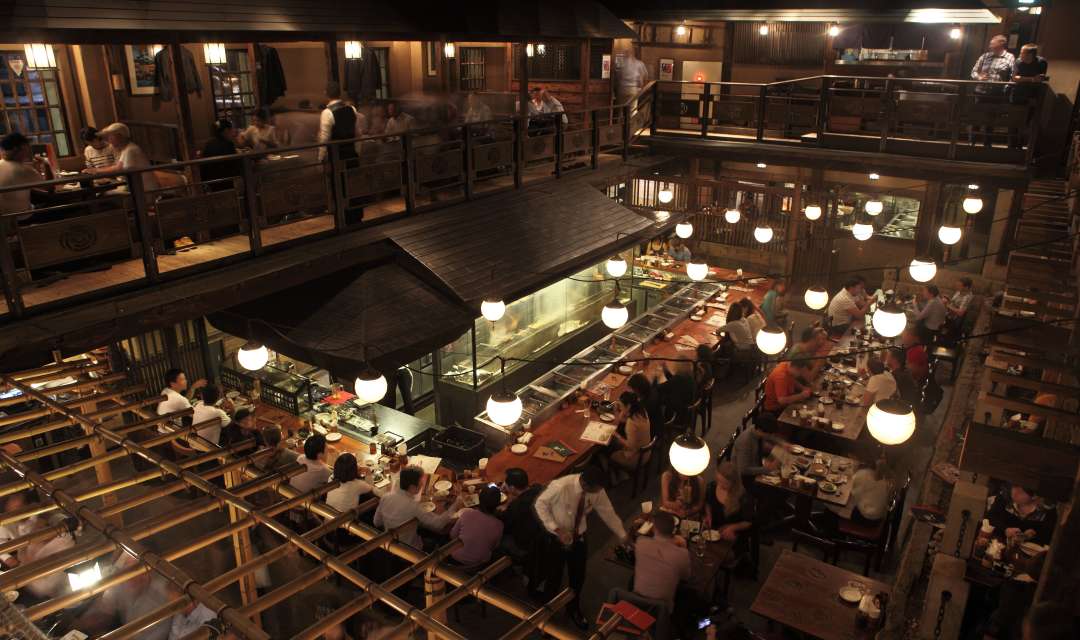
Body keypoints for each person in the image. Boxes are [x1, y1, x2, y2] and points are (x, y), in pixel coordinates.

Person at [533, 466, 627, 629]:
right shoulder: (561, 486)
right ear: (585, 483)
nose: (598, 493)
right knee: (553, 577)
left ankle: (573, 608)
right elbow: (540, 505)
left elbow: (607, 512)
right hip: (557, 537)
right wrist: (556, 529)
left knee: (578, 577)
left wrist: (623, 535)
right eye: (596, 490)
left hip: (579, 537)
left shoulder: (597, 490)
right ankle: (547, 615)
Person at [77, 551, 172, 640]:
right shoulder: (122, 582)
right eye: (127, 566)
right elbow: (104, 609)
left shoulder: (163, 594)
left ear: (149, 570)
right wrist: (84, 623)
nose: (131, 574)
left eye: (137, 568)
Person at [374, 466, 461, 549]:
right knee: (438, 539)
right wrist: (455, 504)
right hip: (410, 550)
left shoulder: (385, 497)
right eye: (421, 483)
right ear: (412, 487)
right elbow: (438, 525)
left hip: (388, 544)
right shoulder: (413, 506)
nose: (422, 485)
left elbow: (377, 522)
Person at [632, 511, 690, 608]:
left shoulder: (640, 543)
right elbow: (685, 577)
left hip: (636, 602)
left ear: (654, 528)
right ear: (673, 529)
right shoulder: (682, 554)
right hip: (662, 610)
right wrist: (683, 546)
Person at [87, 122, 160, 193]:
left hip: (144, 191)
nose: (108, 140)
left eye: (110, 136)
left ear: (119, 136)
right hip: (136, 189)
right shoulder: (125, 149)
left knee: (104, 195)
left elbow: (118, 168)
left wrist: (96, 170)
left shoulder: (130, 149)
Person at [449, 485, 504, 569]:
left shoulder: (467, 514)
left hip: (455, 561)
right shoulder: (499, 525)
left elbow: (453, 535)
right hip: (479, 567)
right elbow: (494, 547)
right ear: (498, 504)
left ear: (479, 500)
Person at [985, 484, 1057, 546]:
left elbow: (1048, 538)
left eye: (1020, 492)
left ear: (1034, 496)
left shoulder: (1045, 511)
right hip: (996, 543)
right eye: (1014, 487)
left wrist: (1032, 535)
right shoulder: (1005, 498)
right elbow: (990, 517)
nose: (1014, 493)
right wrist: (1005, 529)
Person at [0, 132, 47, 220]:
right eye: (26, 147)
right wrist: (45, 163)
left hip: (3, 222)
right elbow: (49, 188)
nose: (28, 150)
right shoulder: (24, 169)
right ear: (19, 149)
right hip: (21, 219)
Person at [828, 457, 891, 522]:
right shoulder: (883, 478)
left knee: (831, 502)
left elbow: (850, 493)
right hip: (879, 517)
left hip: (866, 518)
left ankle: (830, 524)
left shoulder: (864, 474)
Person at [703, 461, 753, 543]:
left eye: (725, 483)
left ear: (734, 483)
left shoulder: (743, 496)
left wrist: (732, 527)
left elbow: (748, 521)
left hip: (733, 534)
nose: (720, 485)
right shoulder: (712, 486)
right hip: (714, 531)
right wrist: (708, 515)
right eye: (719, 480)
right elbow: (708, 503)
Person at [317, 81, 366, 162]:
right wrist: (357, 151)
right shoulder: (352, 109)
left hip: (336, 157)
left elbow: (324, 138)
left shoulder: (327, 113)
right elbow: (358, 133)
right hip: (351, 153)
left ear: (326, 94)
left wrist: (320, 157)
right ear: (340, 93)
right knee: (352, 174)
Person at [731, 423, 786, 488]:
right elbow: (743, 470)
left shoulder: (755, 429)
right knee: (776, 489)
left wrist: (783, 444)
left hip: (756, 462)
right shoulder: (745, 442)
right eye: (768, 434)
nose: (768, 436)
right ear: (760, 430)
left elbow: (769, 437)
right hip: (744, 478)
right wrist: (768, 469)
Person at [609, 391, 651, 471]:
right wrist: (619, 408)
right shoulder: (641, 411)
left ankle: (618, 477)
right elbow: (622, 419)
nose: (620, 408)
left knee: (611, 454)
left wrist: (616, 435)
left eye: (621, 406)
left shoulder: (631, 424)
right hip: (646, 451)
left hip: (637, 458)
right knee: (615, 442)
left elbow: (629, 445)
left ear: (628, 406)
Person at [198, 118, 242, 187]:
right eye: (231, 129)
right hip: (225, 181)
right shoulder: (228, 144)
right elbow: (234, 165)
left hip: (209, 182)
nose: (233, 132)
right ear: (226, 130)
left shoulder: (208, 144)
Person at [190, 384, 230, 449]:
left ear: (202, 396)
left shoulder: (198, 405)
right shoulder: (218, 413)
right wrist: (233, 408)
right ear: (218, 397)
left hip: (193, 444)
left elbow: (210, 408)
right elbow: (230, 423)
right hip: (207, 451)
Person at [884, 347, 922, 413]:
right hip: (908, 407)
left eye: (888, 356)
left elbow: (887, 393)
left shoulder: (896, 376)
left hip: (900, 410)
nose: (886, 359)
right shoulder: (904, 371)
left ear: (894, 360)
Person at [628, 373, 664, 441]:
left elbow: (631, 416)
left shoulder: (644, 405)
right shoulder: (651, 391)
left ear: (637, 390)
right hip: (658, 423)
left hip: (651, 431)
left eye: (631, 389)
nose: (631, 391)